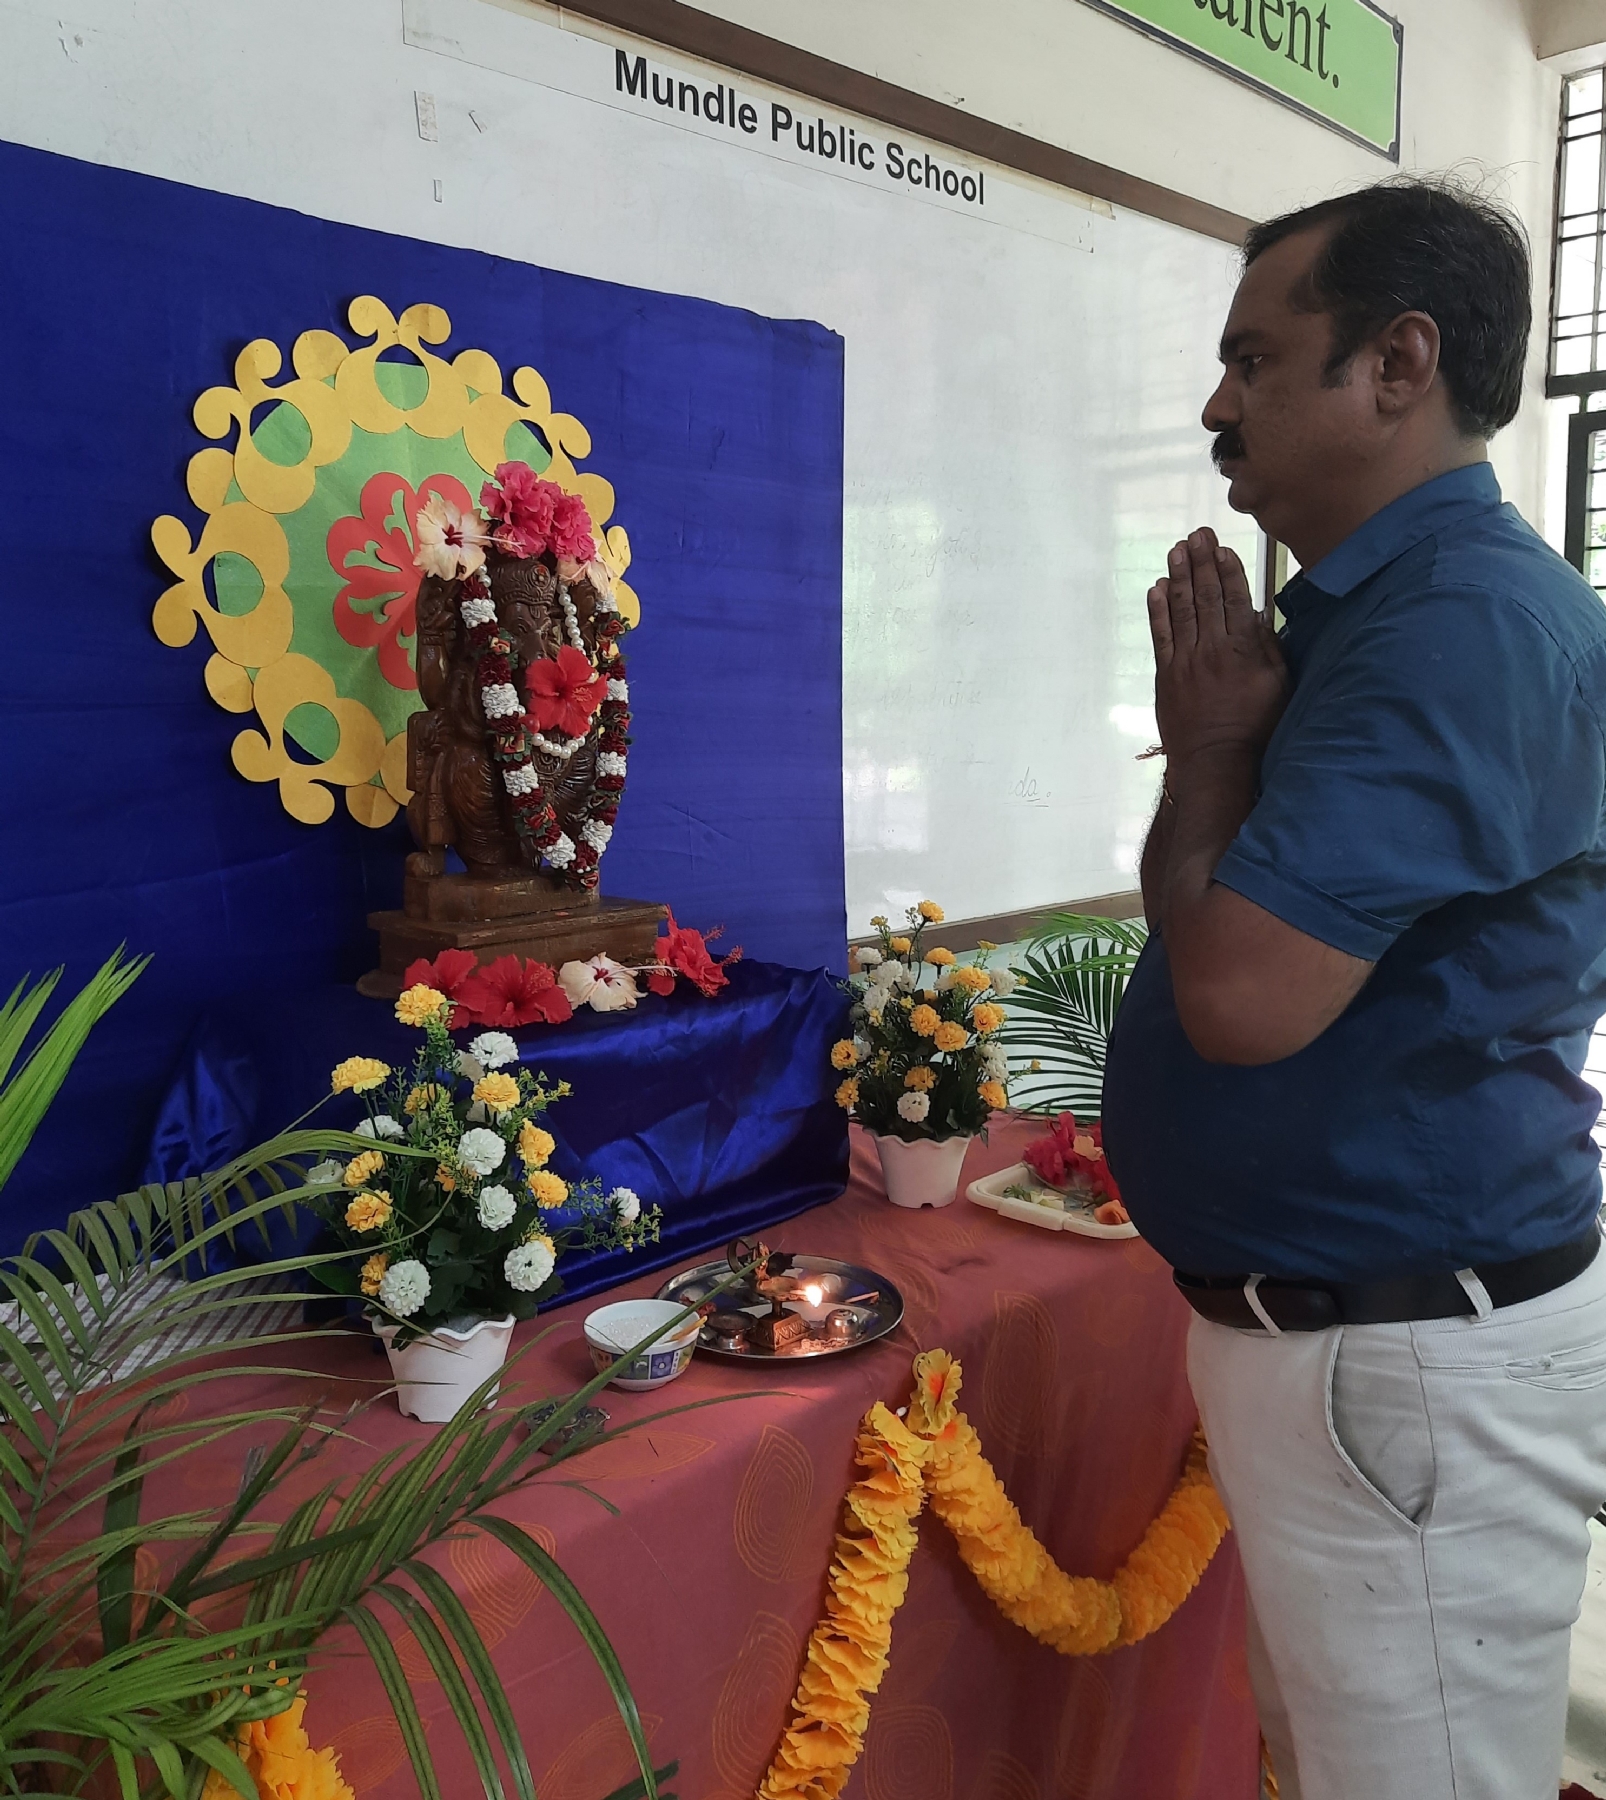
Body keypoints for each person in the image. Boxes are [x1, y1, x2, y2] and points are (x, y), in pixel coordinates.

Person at [1100, 179, 1606, 1800]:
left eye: (1255, 359)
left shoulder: (1454, 621)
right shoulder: (1376, 612)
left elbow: (1242, 991)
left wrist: (1214, 752)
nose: (1214, 403)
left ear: (1396, 364)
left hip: (1404, 1343)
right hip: (1347, 1333)